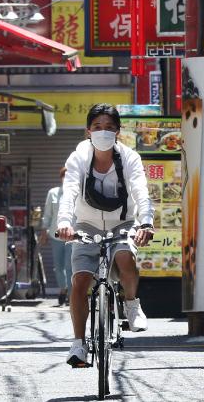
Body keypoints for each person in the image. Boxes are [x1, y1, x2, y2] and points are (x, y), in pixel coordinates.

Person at [56, 103, 154, 368]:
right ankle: (78, 344)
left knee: (125, 259)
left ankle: (132, 304)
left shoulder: (130, 157)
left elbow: (140, 191)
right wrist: (65, 223)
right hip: (85, 224)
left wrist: (146, 222)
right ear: (88, 131)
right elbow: (70, 192)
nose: (103, 132)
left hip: (123, 222)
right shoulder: (78, 158)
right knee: (80, 281)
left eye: (109, 128)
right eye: (97, 127)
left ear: (118, 132)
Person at [41, 168, 73, 306]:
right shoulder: (53, 193)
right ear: (60, 178)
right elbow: (48, 214)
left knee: (69, 266)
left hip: (72, 236)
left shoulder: (78, 194)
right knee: (58, 266)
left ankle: (71, 295)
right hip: (55, 234)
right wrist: (44, 231)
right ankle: (63, 289)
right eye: (64, 176)